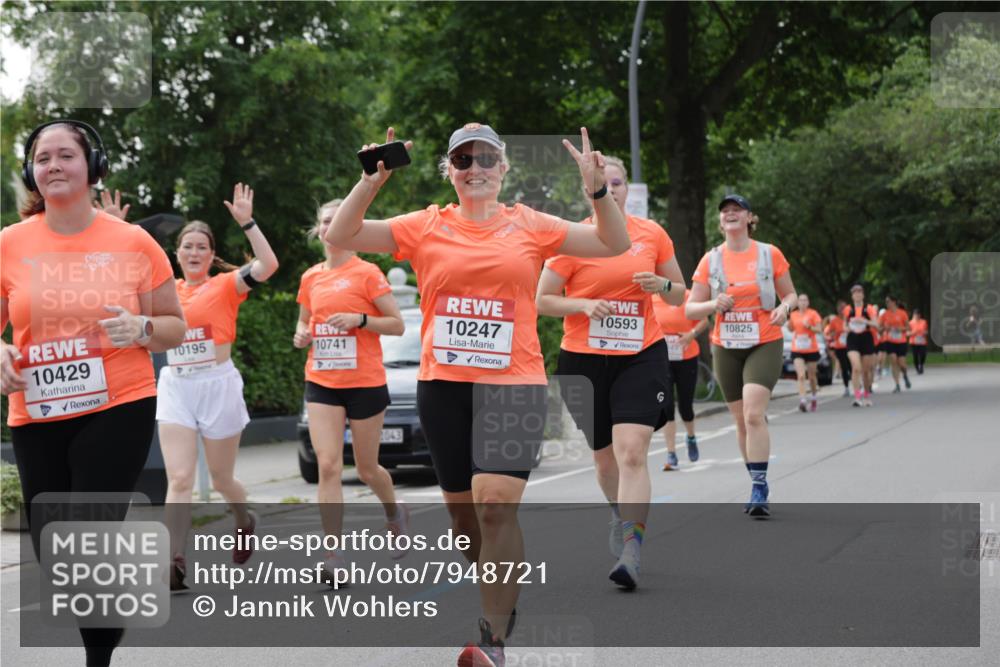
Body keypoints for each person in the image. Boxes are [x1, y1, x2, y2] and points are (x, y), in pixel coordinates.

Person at [327, 124, 629, 667]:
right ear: (450, 171)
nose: (475, 168)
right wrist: (371, 181)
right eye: (463, 160)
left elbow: (614, 243)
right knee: (466, 525)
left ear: (503, 167)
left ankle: (492, 640)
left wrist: (597, 191)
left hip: (513, 383)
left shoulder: (530, 223)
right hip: (443, 388)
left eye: (486, 158)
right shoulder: (425, 225)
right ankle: (502, 597)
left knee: (493, 507)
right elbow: (343, 234)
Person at [1, 120, 186, 666]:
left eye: (66, 155)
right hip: (36, 409)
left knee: (88, 531)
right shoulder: (9, 244)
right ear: (32, 173)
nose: (53, 165)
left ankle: (97, 661)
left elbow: (174, 326)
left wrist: (142, 328)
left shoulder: (133, 242)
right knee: (54, 549)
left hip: (118, 403)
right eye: (42, 158)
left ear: (93, 166)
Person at [112, 184, 280, 590]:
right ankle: (174, 558)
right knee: (181, 478)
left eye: (201, 247)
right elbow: (116, 285)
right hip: (177, 385)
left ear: (211, 254)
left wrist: (248, 223)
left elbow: (269, 265)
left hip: (217, 384)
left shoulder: (225, 285)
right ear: (176, 253)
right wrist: (117, 231)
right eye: (187, 246)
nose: (193, 252)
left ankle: (244, 519)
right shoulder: (165, 290)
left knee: (222, 480)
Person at [535, 155, 686, 589]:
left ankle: (632, 549)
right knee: (604, 461)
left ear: (625, 188)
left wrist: (663, 286)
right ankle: (619, 516)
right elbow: (542, 299)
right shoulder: (572, 239)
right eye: (603, 184)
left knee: (632, 452)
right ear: (589, 191)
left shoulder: (651, 234)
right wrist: (582, 304)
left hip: (641, 354)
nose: (611, 189)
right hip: (583, 361)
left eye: (617, 182)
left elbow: (679, 295)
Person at [293, 198, 410, 575]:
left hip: (364, 382)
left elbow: (397, 325)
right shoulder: (311, 277)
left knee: (367, 468)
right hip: (322, 379)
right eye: (325, 221)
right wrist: (302, 335)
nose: (330, 227)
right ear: (318, 229)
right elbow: (304, 322)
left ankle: (394, 512)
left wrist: (360, 319)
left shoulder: (367, 273)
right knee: (327, 465)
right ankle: (334, 556)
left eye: (337, 220)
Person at [686, 194, 798, 518]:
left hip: (764, 340)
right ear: (720, 222)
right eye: (725, 211)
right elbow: (691, 308)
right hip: (726, 345)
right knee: (740, 419)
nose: (731, 214)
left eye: (737, 210)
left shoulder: (768, 253)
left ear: (750, 218)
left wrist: (784, 308)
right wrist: (713, 304)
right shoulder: (710, 260)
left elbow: (790, 294)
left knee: (753, 413)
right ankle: (755, 479)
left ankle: (759, 487)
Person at [652, 289, 708, 471]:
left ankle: (691, 437)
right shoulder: (651, 298)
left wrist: (691, 334)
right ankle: (671, 453)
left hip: (686, 356)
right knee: (666, 406)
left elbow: (704, 320)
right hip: (662, 359)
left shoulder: (687, 295)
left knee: (685, 406)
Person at [843, 284, 880, 407]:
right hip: (852, 338)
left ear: (863, 295)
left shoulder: (869, 308)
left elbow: (876, 324)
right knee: (856, 367)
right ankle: (857, 397)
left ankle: (866, 396)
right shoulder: (848, 309)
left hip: (866, 338)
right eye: (855, 292)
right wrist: (848, 328)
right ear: (852, 296)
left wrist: (864, 321)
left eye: (859, 292)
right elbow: (844, 325)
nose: (857, 294)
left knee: (865, 371)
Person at [787, 293, 822, 412]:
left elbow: (819, 329)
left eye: (805, 300)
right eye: (800, 300)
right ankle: (803, 400)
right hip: (797, 349)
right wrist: (788, 323)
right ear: (797, 303)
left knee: (812, 377)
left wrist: (810, 327)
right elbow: (790, 329)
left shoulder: (813, 314)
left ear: (808, 302)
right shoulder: (793, 314)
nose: (802, 302)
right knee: (801, 375)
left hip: (811, 349)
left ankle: (814, 397)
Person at [879, 295, 912, 393]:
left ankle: (905, 375)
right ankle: (897, 384)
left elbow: (909, 328)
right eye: (886, 301)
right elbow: (879, 329)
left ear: (894, 302)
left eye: (888, 301)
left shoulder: (902, 313)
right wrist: (884, 328)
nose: (887, 303)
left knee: (902, 364)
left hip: (901, 341)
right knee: (893, 361)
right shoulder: (884, 315)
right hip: (890, 341)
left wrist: (900, 329)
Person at [824, 301, 851, 397]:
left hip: (851, 346)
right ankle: (846, 387)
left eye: (843, 308)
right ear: (837, 310)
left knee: (852, 366)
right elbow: (829, 333)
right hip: (840, 347)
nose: (842, 310)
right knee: (844, 367)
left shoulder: (850, 319)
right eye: (840, 308)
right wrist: (835, 333)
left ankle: (857, 384)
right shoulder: (834, 321)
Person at [909, 308, 929, 374]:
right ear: (913, 315)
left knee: (923, 354)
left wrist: (925, 333)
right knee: (915, 356)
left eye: (918, 314)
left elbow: (926, 331)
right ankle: (917, 368)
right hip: (913, 342)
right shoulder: (910, 323)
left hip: (922, 341)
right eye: (915, 314)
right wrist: (913, 333)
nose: (916, 316)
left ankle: (921, 365)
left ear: (920, 315)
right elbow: (907, 333)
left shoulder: (924, 322)